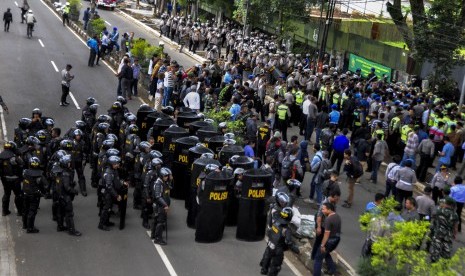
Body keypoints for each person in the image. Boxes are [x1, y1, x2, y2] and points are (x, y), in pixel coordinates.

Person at [259, 207, 299, 275]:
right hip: (278, 249)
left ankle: (264, 270)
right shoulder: (287, 230)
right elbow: (288, 242)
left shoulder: (275, 222)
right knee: (276, 266)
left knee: (267, 257)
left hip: (270, 244)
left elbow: (269, 230)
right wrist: (296, 250)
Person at [55, 155, 82, 236]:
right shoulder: (66, 174)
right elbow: (67, 188)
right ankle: (71, 230)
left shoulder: (58, 171)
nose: (70, 164)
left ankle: (60, 226)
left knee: (60, 212)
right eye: (69, 163)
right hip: (65, 196)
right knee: (69, 214)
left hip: (59, 195)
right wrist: (74, 191)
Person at [313, 202, 341, 276]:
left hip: (329, 241)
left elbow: (326, 234)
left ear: (329, 209)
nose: (322, 211)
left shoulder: (328, 219)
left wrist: (322, 245)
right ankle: (333, 270)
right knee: (326, 253)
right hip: (336, 240)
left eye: (324, 209)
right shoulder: (337, 216)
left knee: (318, 258)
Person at [429, 197, 459, 262]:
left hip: (438, 232)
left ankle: (434, 261)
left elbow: (433, 217)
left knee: (436, 248)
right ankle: (443, 262)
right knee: (446, 250)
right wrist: (454, 235)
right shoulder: (455, 215)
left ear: (446, 203)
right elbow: (455, 227)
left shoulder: (439, 210)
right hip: (448, 234)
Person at [22, 157, 47, 233]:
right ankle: (30, 228)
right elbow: (46, 185)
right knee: (32, 211)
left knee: (25, 210)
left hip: (25, 193)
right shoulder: (40, 174)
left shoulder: (25, 172)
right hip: (35, 195)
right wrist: (43, 192)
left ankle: (25, 225)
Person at [0, 141, 24, 216]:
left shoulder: (1, 156)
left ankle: (4, 211)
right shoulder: (14, 157)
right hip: (15, 179)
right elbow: (22, 165)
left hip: (4, 179)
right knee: (18, 195)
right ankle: (19, 211)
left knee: (7, 194)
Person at [151, 167, 173, 245]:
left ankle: (153, 235)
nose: (167, 177)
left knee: (157, 221)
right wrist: (165, 205)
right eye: (165, 176)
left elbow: (170, 187)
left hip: (161, 205)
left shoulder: (164, 182)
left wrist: (170, 179)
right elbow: (158, 196)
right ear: (161, 175)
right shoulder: (158, 183)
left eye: (167, 176)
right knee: (160, 222)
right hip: (159, 206)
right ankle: (158, 239)